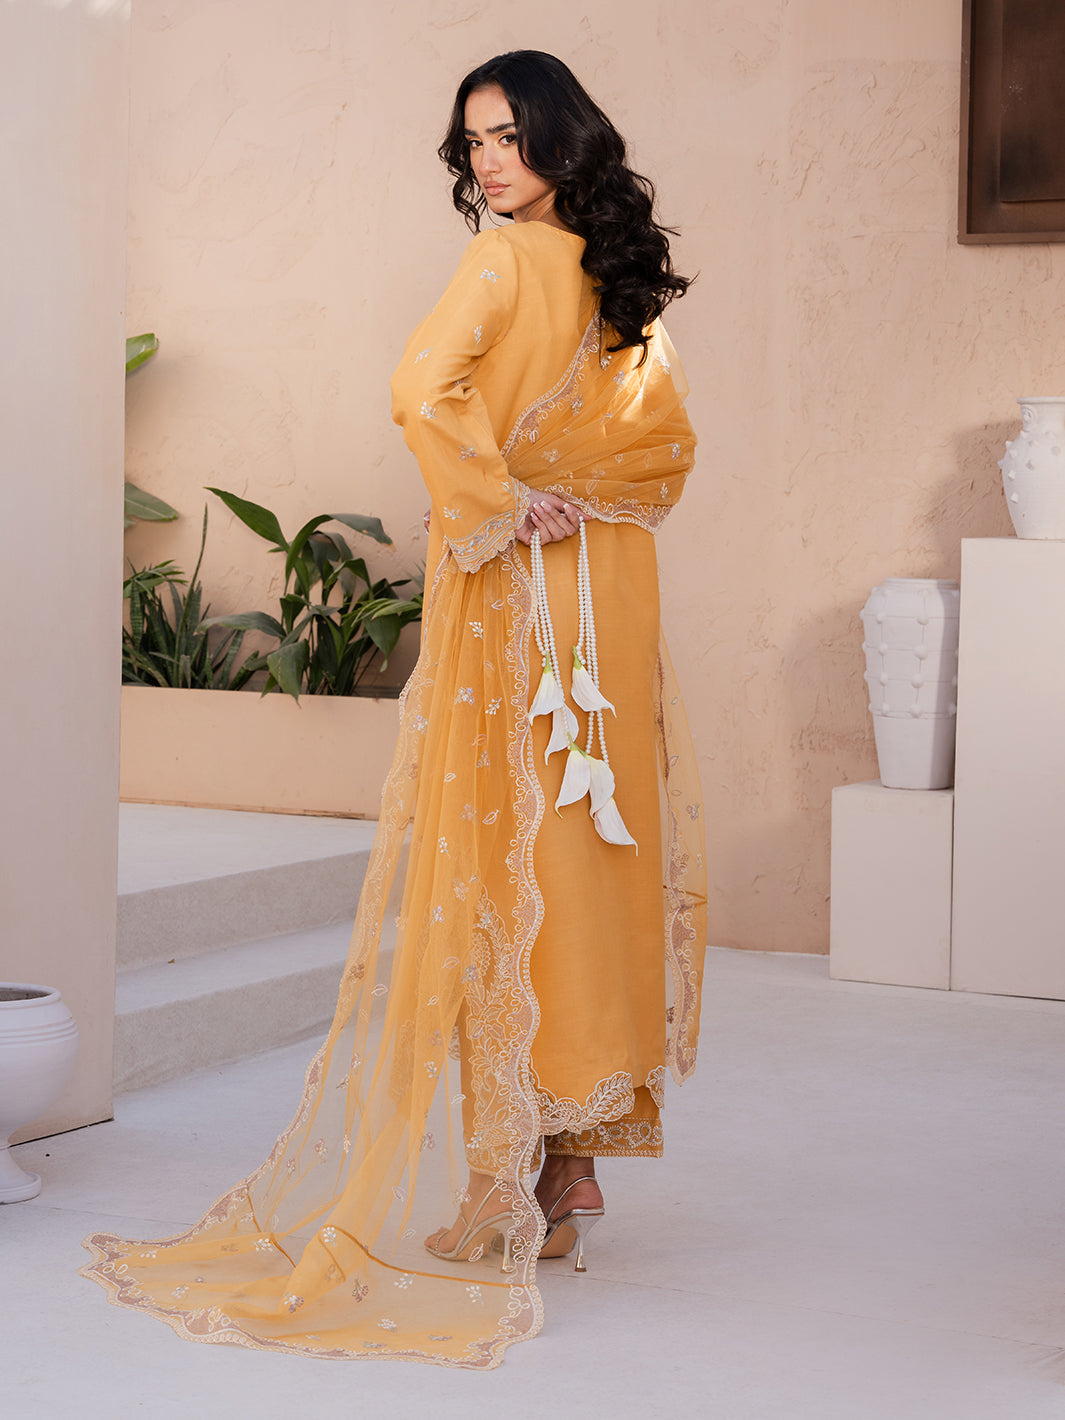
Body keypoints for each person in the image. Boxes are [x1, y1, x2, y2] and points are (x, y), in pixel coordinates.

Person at [81, 49, 706, 1371]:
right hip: (609, 593)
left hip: (523, 602)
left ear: (560, 136)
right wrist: (561, 493)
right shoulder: (626, 283)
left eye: (508, 135)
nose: (489, 162)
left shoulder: (503, 261)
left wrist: (499, 497)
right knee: (585, 857)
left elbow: (421, 390)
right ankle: (572, 1168)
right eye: (473, 142)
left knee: (496, 865)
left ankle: (499, 1184)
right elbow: (666, 454)